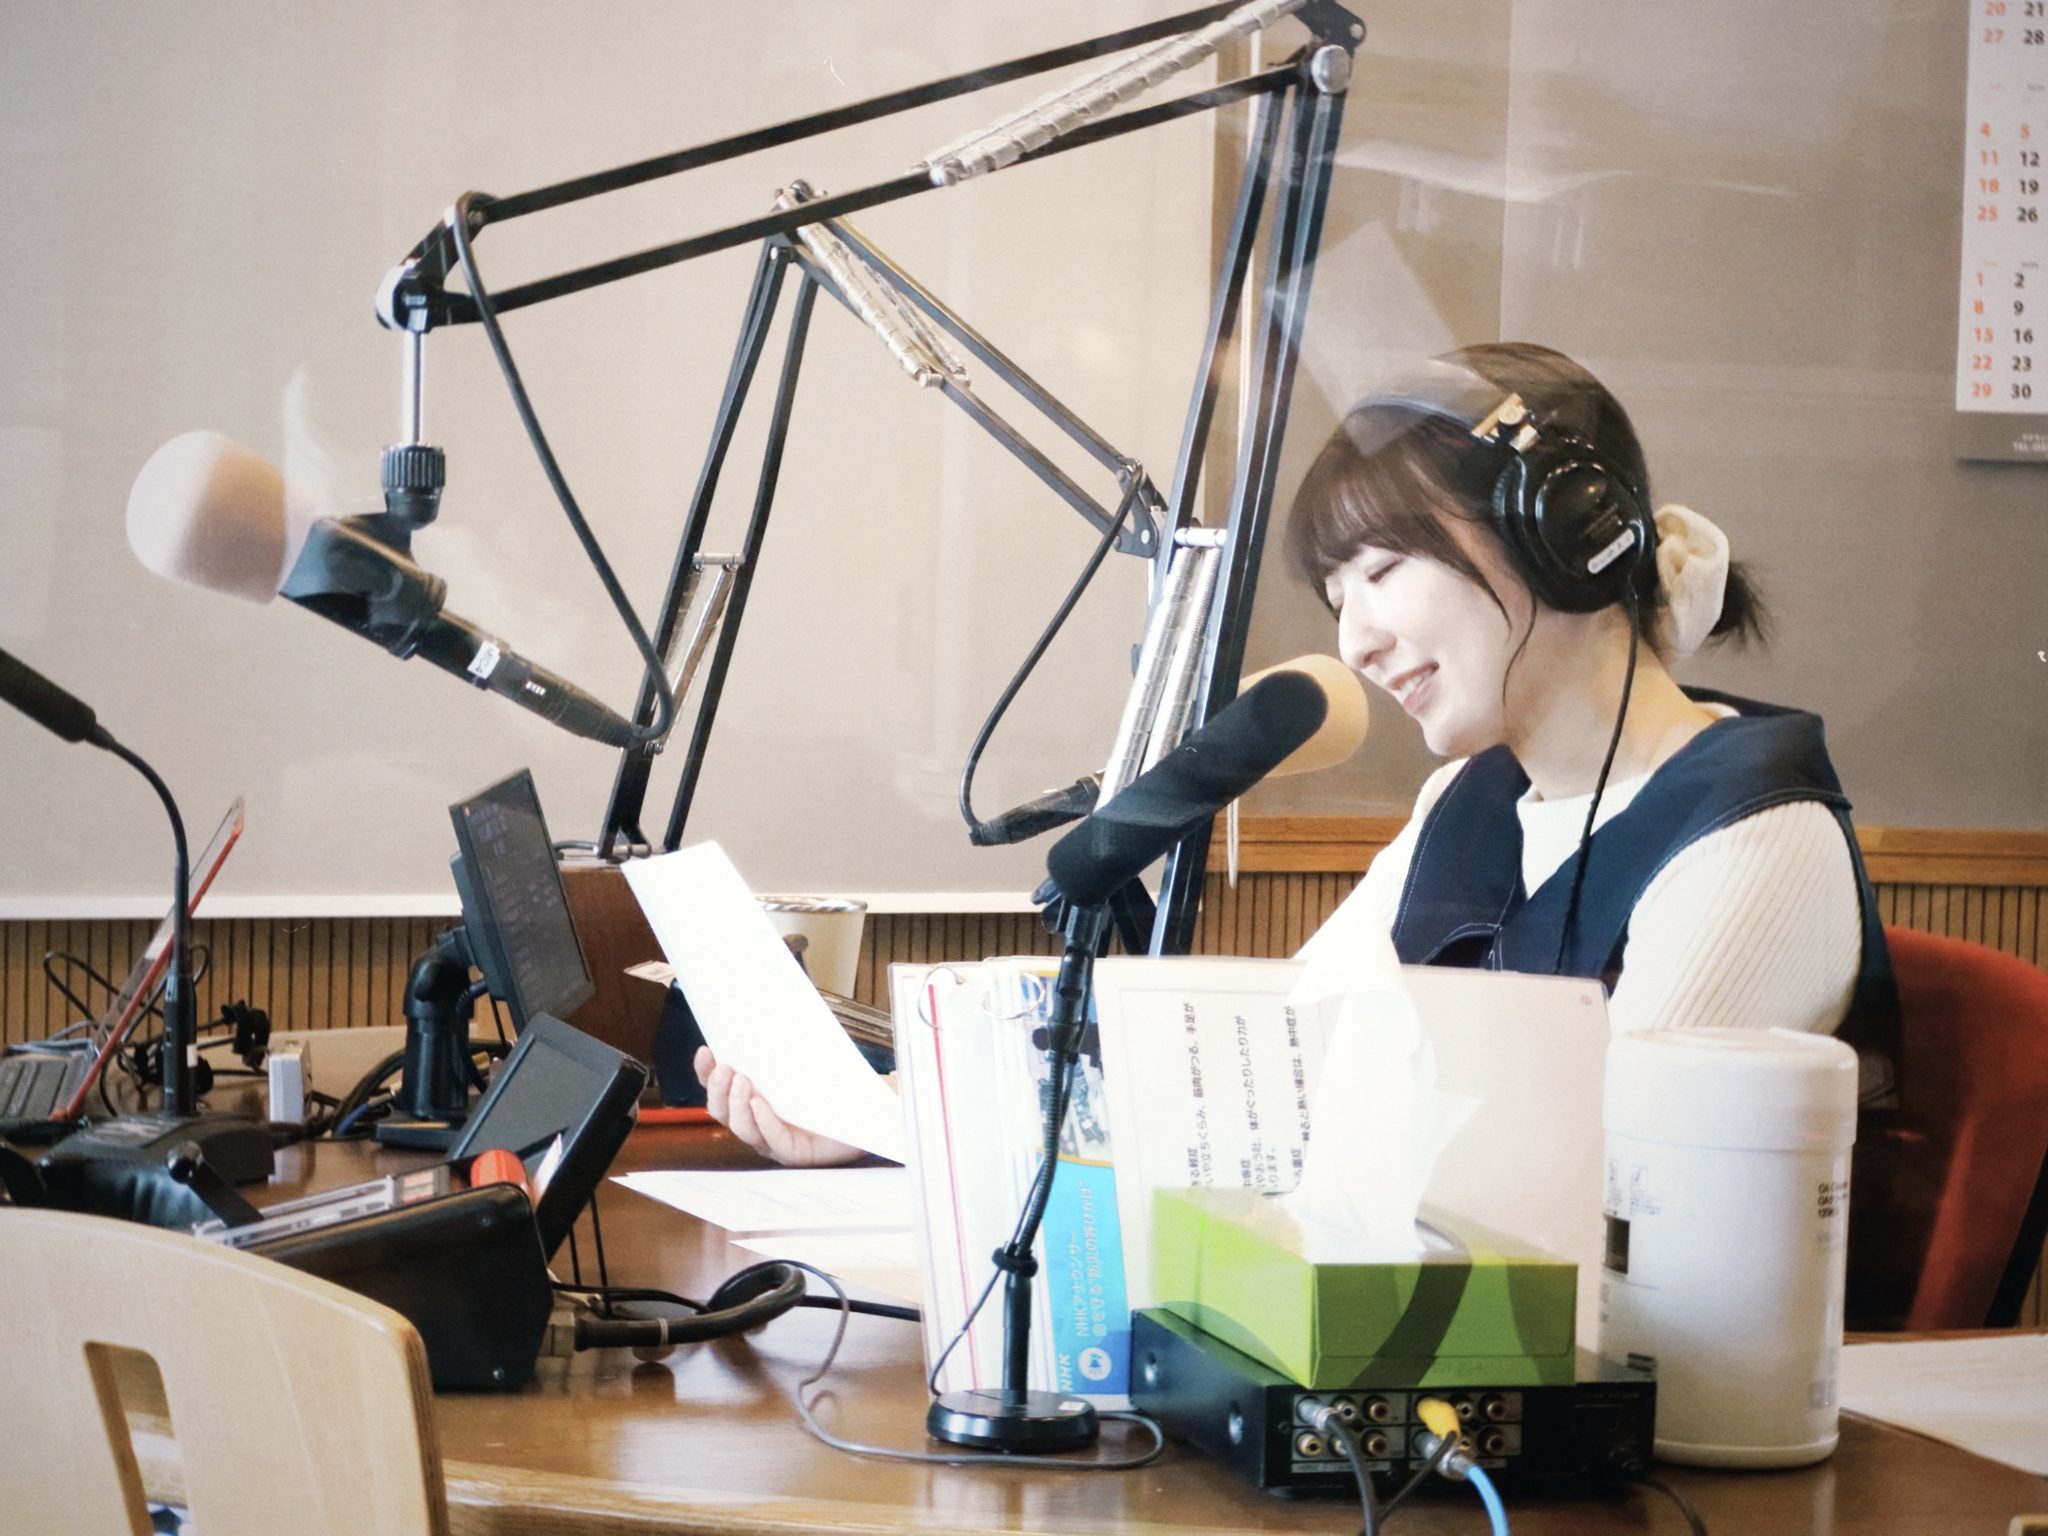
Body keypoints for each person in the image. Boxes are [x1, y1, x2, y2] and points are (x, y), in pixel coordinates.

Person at [697, 341, 1899, 1164]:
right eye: (1337, 596)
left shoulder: (1754, 838)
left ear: (1562, 538)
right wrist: (889, 1117)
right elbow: (1279, 1048)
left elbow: (1601, 1186)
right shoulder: (1469, 801)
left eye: (1381, 571)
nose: (1355, 641)